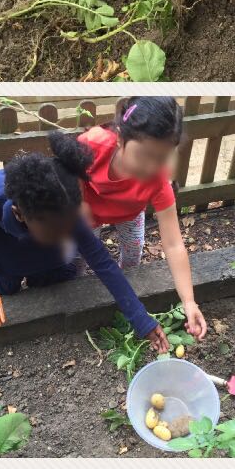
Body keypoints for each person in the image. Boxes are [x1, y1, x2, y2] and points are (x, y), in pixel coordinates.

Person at [0, 132, 168, 349]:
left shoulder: (66, 214)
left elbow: (104, 264)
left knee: (52, 279)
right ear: (20, 214)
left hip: (48, 257)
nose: (66, 235)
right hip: (6, 253)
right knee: (6, 288)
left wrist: (141, 319)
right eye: (55, 231)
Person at [78, 96, 206, 340]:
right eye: (144, 155)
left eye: (161, 158)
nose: (150, 167)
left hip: (129, 212)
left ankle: (126, 292)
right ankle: (79, 289)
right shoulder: (92, 145)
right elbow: (67, 171)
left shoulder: (158, 180)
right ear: (119, 138)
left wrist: (189, 302)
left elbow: (173, 243)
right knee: (77, 257)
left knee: (133, 252)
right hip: (88, 211)